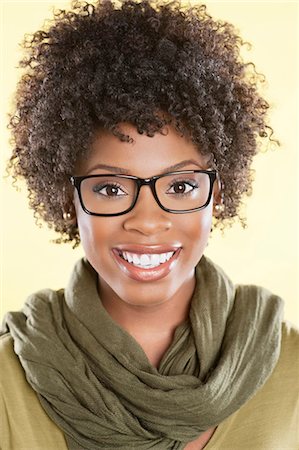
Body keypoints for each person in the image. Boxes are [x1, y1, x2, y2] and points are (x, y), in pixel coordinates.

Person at [1, 1, 298, 449]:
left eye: (179, 187)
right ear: (69, 198)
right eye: (111, 189)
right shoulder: (7, 376)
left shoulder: (291, 367)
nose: (146, 221)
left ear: (215, 195)